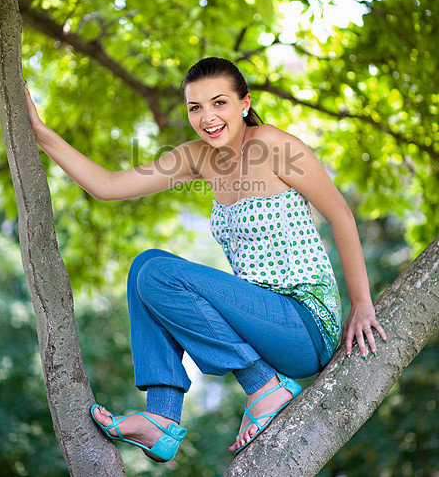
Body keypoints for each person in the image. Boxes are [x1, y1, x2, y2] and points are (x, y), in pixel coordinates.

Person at [24, 57, 387, 461]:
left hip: (303, 324)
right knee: (144, 266)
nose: (208, 117)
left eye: (219, 103)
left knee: (159, 274)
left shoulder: (273, 145)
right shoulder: (198, 157)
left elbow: (340, 214)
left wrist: (361, 302)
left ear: (244, 103)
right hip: (256, 325)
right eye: (195, 107)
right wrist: (40, 134)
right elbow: (108, 186)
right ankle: (161, 418)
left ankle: (264, 386)